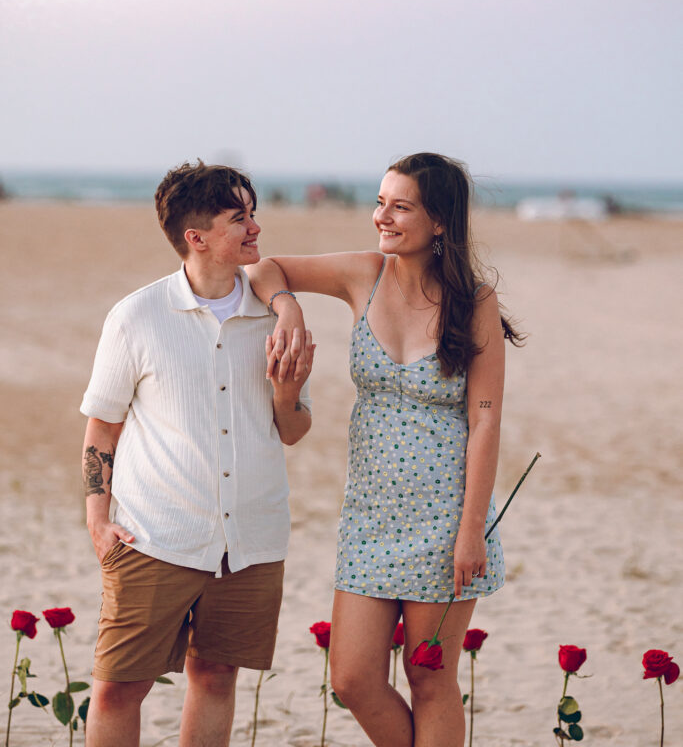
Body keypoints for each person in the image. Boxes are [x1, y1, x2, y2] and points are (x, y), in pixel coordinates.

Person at [247, 152, 522, 747]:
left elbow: (486, 422)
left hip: (446, 517)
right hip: (370, 516)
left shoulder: (475, 304)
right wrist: (288, 306)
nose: (382, 217)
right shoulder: (362, 274)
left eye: (400, 206)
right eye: (380, 202)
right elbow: (264, 269)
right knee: (351, 677)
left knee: (430, 677)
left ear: (440, 221)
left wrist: (471, 530)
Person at [80, 161, 314, 747]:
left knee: (215, 675)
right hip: (155, 534)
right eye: (240, 217)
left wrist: (287, 391)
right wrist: (97, 521)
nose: (256, 227)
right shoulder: (137, 316)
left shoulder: (272, 316)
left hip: (252, 541)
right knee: (117, 687)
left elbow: (294, 430)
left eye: (254, 212)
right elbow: (102, 427)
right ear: (197, 236)